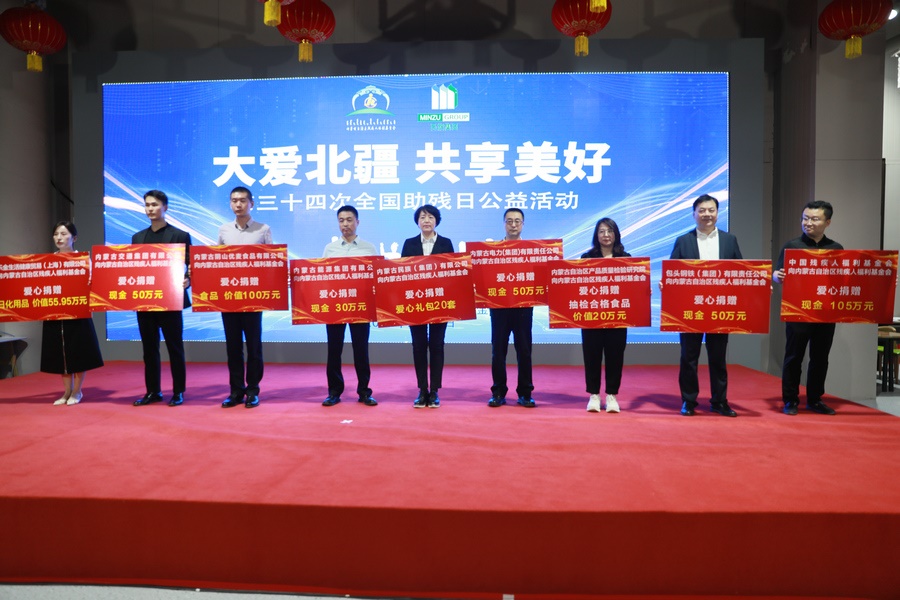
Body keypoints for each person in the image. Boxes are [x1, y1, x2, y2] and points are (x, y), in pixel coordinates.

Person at [669, 194, 743, 417]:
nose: (707, 214)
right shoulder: (683, 241)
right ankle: (689, 401)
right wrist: (666, 283)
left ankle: (719, 401)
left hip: (720, 309)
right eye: (702, 210)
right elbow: (672, 272)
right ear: (694, 214)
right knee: (689, 357)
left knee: (718, 358)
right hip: (690, 310)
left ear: (718, 213)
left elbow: (741, 273)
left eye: (711, 210)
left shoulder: (730, 240)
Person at [773, 200, 842, 415]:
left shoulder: (836, 249)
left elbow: (844, 280)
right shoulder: (792, 246)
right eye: (805, 218)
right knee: (794, 356)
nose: (808, 223)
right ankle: (790, 400)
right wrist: (776, 276)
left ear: (827, 222)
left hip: (825, 312)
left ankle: (815, 399)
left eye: (814, 219)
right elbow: (777, 273)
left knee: (820, 358)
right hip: (798, 311)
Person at [132, 190, 192, 407]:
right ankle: (153, 391)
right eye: (147, 205)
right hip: (145, 300)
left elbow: (192, 265)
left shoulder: (180, 235)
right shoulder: (137, 238)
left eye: (155, 205)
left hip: (171, 299)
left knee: (175, 348)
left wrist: (188, 280)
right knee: (149, 350)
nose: (150, 209)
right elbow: (133, 267)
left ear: (165, 207)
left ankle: (178, 391)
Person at [217, 186, 271, 409]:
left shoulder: (263, 230)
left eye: (242, 200)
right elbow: (217, 262)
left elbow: (271, 263)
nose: (237, 204)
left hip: (253, 297)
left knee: (254, 347)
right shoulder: (223, 230)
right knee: (233, 347)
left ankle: (253, 390)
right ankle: (236, 391)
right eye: (234, 200)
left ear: (251, 203)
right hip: (229, 297)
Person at [40, 221, 104, 405]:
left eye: (63, 234)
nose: (59, 238)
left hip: (78, 312)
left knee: (78, 351)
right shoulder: (48, 261)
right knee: (61, 353)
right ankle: (66, 391)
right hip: (55, 312)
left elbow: (92, 285)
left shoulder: (83, 259)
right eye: (56, 234)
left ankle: (77, 391)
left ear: (74, 238)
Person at [321, 205, 378, 407]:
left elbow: (375, 279)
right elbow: (322, 277)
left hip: (360, 306)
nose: (345, 224)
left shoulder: (369, 248)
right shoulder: (330, 249)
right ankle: (334, 392)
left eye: (349, 220)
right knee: (334, 350)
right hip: (335, 306)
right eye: (341, 220)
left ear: (357, 222)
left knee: (361, 350)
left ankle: (364, 391)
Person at [401, 204, 454, 408]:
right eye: (422, 217)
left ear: (436, 221)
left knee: (437, 345)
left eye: (431, 217)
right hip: (415, 303)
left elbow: (452, 273)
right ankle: (422, 390)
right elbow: (402, 274)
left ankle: (435, 391)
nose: (426, 220)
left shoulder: (446, 243)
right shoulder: (409, 244)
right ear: (417, 221)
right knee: (419, 345)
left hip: (440, 302)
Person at [580, 217, 630, 413]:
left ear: (616, 234)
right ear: (596, 235)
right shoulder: (587, 258)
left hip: (617, 316)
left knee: (615, 356)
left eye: (609, 231)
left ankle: (611, 395)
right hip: (592, 315)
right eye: (601, 231)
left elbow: (632, 288)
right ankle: (593, 394)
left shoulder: (626, 258)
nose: (606, 235)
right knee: (591, 355)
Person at [488, 208, 535, 408]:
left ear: (523, 224)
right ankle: (498, 392)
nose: (513, 225)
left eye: (517, 221)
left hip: (523, 307)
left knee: (524, 351)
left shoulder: (532, 251)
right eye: (509, 221)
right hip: (499, 307)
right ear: (504, 224)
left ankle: (525, 393)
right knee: (498, 351)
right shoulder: (493, 251)